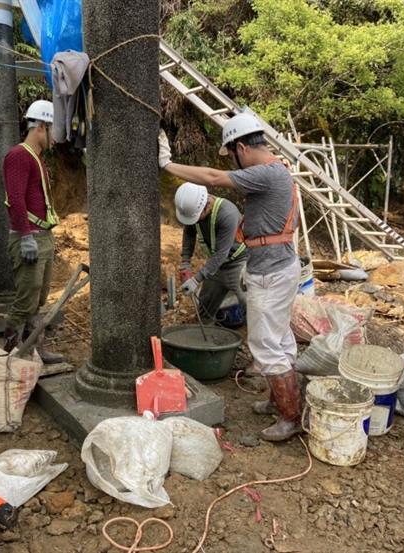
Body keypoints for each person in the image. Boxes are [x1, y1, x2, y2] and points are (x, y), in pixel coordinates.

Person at [158, 114, 302, 441]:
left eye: (233, 155)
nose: (234, 163)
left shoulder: (267, 173)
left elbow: (211, 176)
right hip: (275, 265)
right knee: (279, 339)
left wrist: (167, 165)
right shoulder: (275, 172)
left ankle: (290, 417)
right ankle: (278, 400)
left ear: (240, 147)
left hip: (272, 270)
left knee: (265, 344)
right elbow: (192, 236)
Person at [2, 99, 63, 363]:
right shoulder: (18, 156)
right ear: (41, 126)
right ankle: (11, 354)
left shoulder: (37, 158)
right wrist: (25, 237)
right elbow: (16, 199)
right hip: (30, 238)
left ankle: (35, 349)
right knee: (25, 299)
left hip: (43, 236)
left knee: (38, 298)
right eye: (53, 130)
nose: (55, 138)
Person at [175, 182, 247, 324]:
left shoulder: (227, 214)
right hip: (217, 266)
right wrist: (185, 261)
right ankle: (208, 338)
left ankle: (252, 340)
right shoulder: (195, 209)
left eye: (195, 217)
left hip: (239, 262)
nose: (193, 221)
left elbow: (221, 253)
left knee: (250, 304)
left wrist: (196, 280)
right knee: (205, 306)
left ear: (207, 205)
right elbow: (189, 232)